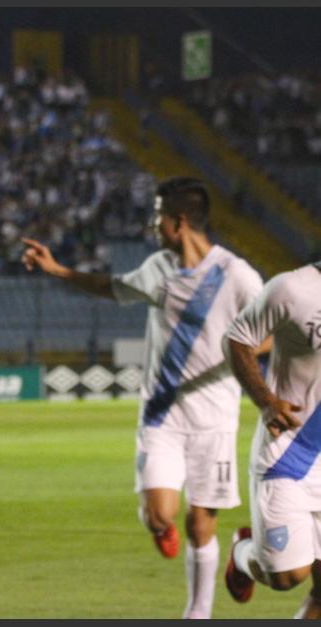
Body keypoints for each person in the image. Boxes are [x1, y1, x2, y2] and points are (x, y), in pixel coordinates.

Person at [22, 177, 264, 619]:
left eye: (157, 216)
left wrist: (239, 354)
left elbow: (268, 333)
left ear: (179, 221)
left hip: (216, 419)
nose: (152, 225)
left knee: (200, 524)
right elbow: (112, 287)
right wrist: (58, 270)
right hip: (161, 417)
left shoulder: (238, 276)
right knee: (159, 514)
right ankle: (162, 530)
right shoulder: (157, 269)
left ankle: (198, 613)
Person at [223, 260, 321, 618]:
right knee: (286, 576)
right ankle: (242, 554)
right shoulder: (292, 289)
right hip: (288, 455)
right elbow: (237, 338)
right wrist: (265, 400)